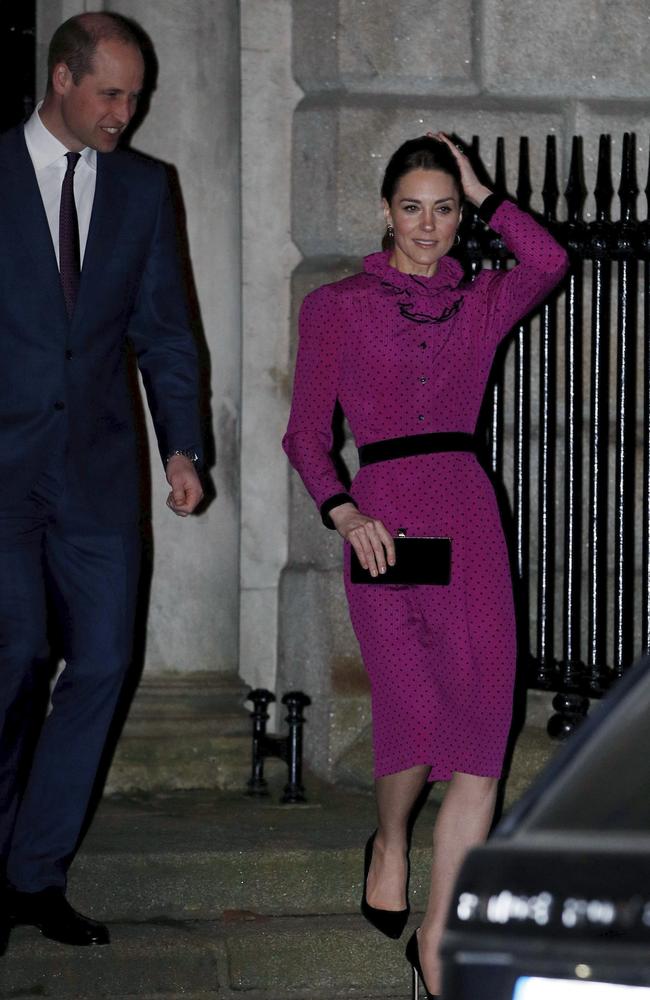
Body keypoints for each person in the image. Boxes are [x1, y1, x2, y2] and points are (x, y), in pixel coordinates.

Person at [282, 132, 568, 997]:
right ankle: (391, 838)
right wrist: (342, 509)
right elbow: (305, 434)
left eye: (444, 209)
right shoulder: (336, 306)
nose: (430, 225)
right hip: (381, 521)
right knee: (411, 705)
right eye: (414, 206)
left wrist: (486, 191)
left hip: (468, 515)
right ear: (385, 211)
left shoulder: (482, 300)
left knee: (483, 721)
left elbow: (549, 259)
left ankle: (440, 938)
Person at [0, 12, 203, 950]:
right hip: (3, 476)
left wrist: (183, 447)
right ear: (62, 78)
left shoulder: (144, 189)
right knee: (11, 664)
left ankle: (33, 876)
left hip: (98, 474)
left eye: (137, 96)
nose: (128, 112)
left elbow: (163, 331)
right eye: (113, 93)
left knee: (107, 664)